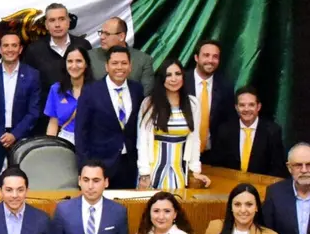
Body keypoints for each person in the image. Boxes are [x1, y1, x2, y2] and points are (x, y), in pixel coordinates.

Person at [74, 45, 144, 190]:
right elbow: (81, 132)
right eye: (115, 63)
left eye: (124, 63)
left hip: (129, 164)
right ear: (106, 66)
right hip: (100, 166)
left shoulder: (137, 89)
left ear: (130, 66)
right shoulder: (91, 91)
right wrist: (85, 167)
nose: (120, 67)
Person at [136, 58, 209, 192]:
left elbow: (195, 139)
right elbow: (142, 141)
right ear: (162, 78)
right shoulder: (149, 103)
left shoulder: (193, 103)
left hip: (181, 170)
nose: (174, 79)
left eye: (178, 74)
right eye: (168, 75)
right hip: (154, 171)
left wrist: (195, 169)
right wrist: (144, 173)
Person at [0, 33, 41, 191]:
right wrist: (0, 134)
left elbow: (33, 111)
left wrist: (15, 134)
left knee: (20, 184)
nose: (10, 49)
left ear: (20, 49)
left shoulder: (32, 75)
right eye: (6, 46)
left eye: (14, 45)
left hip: (21, 137)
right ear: (0, 49)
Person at [21, 3, 92, 135]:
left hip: (81, 118)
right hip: (45, 120)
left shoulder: (83, 45)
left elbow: (90, 78)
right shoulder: (34, 50)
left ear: (69, 22)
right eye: (52, 20)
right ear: (46, 25)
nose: (57, 24)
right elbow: (28, 87)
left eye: (61, 19)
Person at [208, 86, 286, 177]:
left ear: (258, 107)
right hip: (231, 183)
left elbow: (278, 168)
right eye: (242, 105)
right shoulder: (225, 130)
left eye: (251, 105)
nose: (246, 109)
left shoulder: (273, 131)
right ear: (236, 107)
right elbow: (217, 165)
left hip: (261, 185)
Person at [184, 39, 233, 153]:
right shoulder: (181, 81)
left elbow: (228, 121)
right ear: (196, 58)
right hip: (182, 151)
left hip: (212, 155)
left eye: (215, 57)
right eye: (206, 55)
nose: (210, 60)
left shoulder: (226, 87)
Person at [87, 17, 155, 94]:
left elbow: (146, 95)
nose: (102, 37)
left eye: (107, 34)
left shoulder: (143, 60)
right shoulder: (88, 57)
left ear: (121, 37)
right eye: (101, 32)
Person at [44, 46, 89, 143]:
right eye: (70, 61)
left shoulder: (97, 90)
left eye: (79, 61)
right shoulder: (56, 89)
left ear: (86, 64)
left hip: (90, 143)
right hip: (65, 142)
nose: (74, 66)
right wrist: (49, 146)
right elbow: (53, 123)